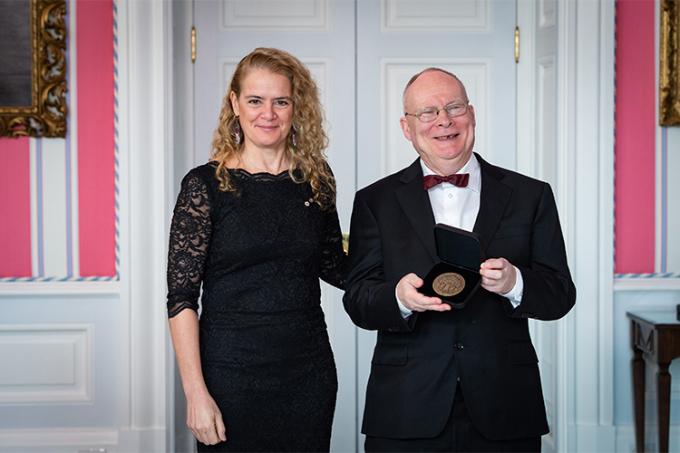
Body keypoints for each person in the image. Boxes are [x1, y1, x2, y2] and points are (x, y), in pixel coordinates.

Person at [343, 68, 576, 452]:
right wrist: (399, 298)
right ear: (407, 126)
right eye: (428, 112)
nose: (444, 121)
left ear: (472, 113)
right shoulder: (375, 201)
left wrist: (515, 283)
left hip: (506, 406)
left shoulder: (531, 195)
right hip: (404, 408)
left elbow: (561, 294)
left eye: (454, 107)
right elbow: (358, 300)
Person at [166, 47, 345, 452]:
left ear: (296, 106)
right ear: (235, 104)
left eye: (281, 101)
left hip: (307, 372)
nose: (269, 113)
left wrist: (406, 262)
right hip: (229, 375)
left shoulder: (316, 179)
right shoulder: (205, 186)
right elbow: (180, 299)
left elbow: (335, 265)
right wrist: (195, 393)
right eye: (255, 100)